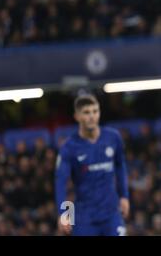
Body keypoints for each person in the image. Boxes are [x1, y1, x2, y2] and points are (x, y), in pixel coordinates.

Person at [55, 94, 129, 236]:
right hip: (84, 219)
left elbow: (120, 166)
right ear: (76, 116)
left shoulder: (113, 137)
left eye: (95, 111)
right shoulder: (69, 147)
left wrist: (124, 196)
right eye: (86, 112)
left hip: (111, 214)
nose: (92, 116)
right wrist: (63, 213)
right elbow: (61, 182)